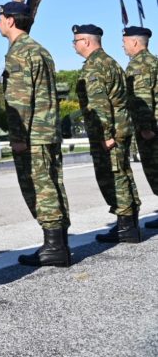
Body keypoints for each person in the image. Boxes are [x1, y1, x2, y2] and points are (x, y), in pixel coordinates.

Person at [0, 2, 71, 266]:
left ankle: (54, 246)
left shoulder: (19, 53)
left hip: (32, 135)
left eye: (0, 18)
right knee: (53, 185)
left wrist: (18, 138)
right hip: (47, 131)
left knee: (40, 190)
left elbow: (19, 100)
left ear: (10, 21)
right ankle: (59, 242)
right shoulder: (41, 50)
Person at [72, 24, 142, 243]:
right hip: (121, 127)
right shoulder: (110, 62)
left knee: (113, 176)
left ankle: (126, 227)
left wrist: (105, 135)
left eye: (75, 41)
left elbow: (99, 105)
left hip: (110, 132)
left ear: (86, 41)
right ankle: (128, 223)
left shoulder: (95, 66)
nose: (73, 45)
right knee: (122, 173)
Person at [123, 26, 158, 228]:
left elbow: (142, 98)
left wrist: (145, 128)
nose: (123, 46)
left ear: (135, 42)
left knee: (154, 170)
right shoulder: (153, 61)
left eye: (125, 42)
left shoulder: (139, 64)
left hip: (151, 130)